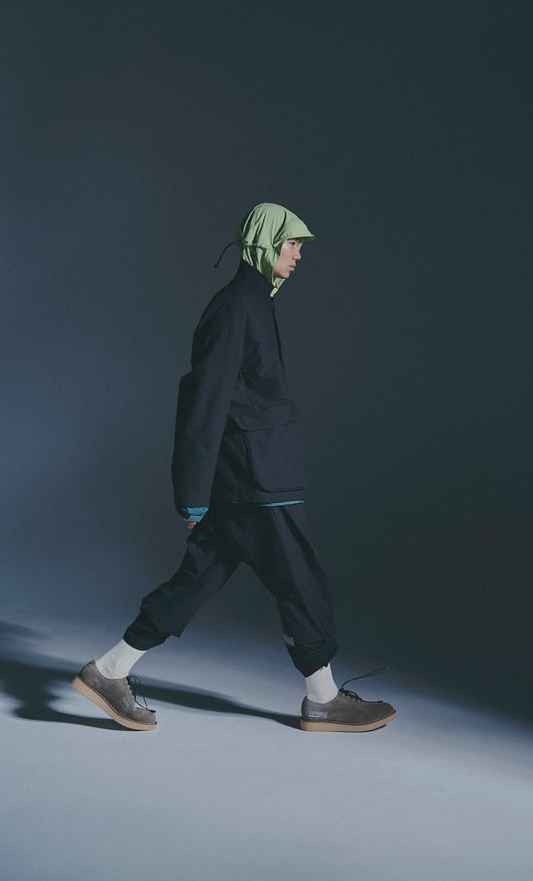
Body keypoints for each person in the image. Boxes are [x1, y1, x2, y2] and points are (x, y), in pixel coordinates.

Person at [72, 202, 395, 733]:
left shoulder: (253, 302)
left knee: (198, 578)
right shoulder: (236, 307)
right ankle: (322, 699)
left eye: (299, 246)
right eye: (291, 243)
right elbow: (205, 400)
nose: (297, 254)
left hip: (251, 472)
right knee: (301, 577)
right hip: (258, 478)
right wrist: (192, 494)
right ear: (264, 242)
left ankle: (109, 670)